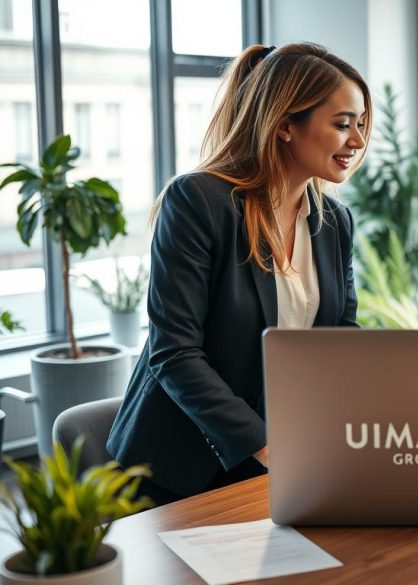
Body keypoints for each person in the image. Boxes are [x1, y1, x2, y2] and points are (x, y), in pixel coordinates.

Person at [107, 42, 371, 505]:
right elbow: (175, 353)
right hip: (178, 469)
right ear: (286, 124)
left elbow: (339, 338)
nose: (358, 142)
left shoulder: (333, 222)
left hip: (280, 463)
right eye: (343, 125)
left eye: (362, 126)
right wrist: (267, 446)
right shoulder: (198, 202)